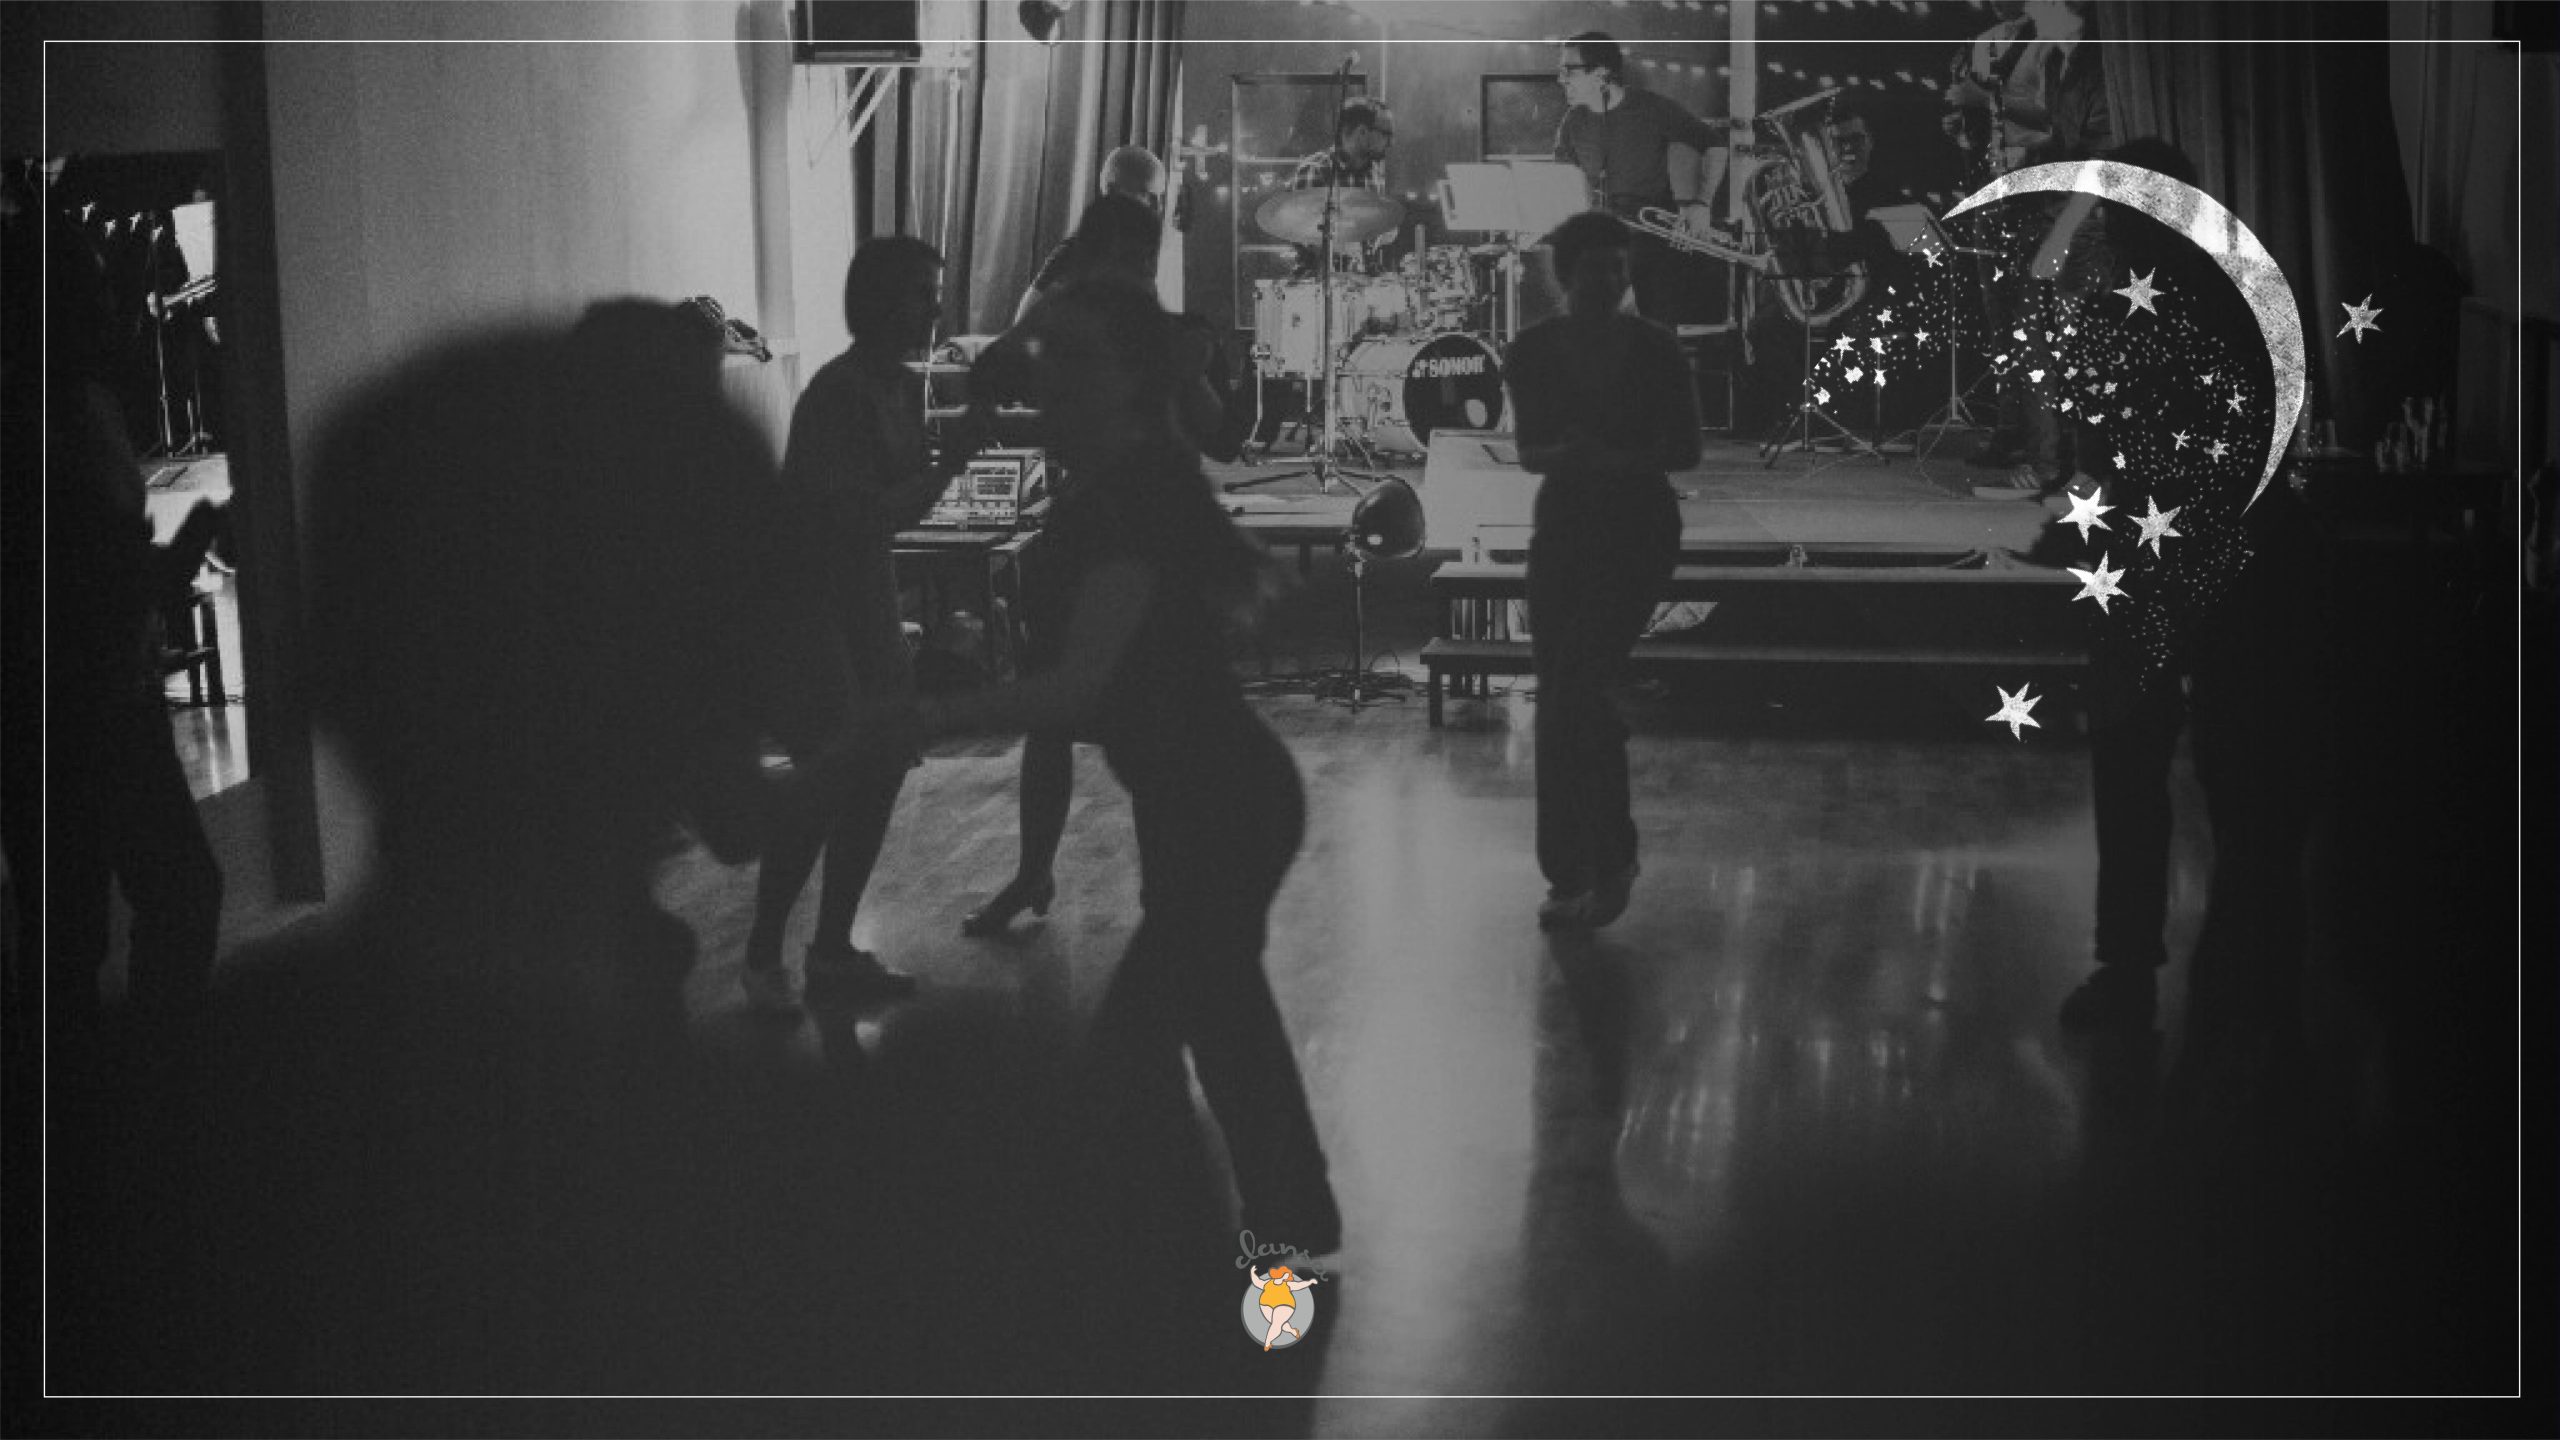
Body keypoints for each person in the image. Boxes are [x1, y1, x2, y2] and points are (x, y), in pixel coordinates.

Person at [852, 277, 1342, 1254]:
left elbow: (1078, 688)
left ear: (1129, 378)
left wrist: (929, 713)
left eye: (1073, 357)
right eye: (1048, 355)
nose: (1049, 375)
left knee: (1141, 1049)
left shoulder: (1130, 495)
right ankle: (1273, 1234)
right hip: (1198, 794)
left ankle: (1201, 1261)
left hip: (1221, 797)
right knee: (1217, 1018)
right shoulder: (1123, 472)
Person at [965, 193, 1228, 937]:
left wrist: (1192, 375)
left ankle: (1157, 892)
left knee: (1153, 723)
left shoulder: (1156, 334)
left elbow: (1220, 436)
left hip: (1148, 541)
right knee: (1054, 717)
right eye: (1125, 259)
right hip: (1089, 536)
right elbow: (989, 372)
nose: (1135, 274)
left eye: (1142, 261)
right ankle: (1035, 872)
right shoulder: (1069, 324)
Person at [740, 236, 983, 1012]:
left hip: (864, 590)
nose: (934, 308)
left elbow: (893, 512)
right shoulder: (840, 392)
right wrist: (950, 465)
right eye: (920, 294)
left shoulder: (900, 386)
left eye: (936, 293)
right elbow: (864, 514)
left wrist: (948, 462)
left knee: (881, 762)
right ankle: (761, 955)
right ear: (877, 300)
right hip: (809, 601)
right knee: (831, 770)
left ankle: (832, 948)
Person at [1503, 213, 1701, 930]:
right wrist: (1572, 457)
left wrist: (1611, 460)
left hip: (1636, 530)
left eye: (1620, 268)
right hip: (1565, 528)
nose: (1613, 281)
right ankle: (1571, 872)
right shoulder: (1531, 351)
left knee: (1574, 691)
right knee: (1564, 697)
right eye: (1598, 269)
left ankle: (1605, 861)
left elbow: (1686, 451)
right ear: (1566, 274)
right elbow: (1530, 451)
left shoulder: (1655, 349)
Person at [1551, 31, 1743, 325]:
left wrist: (1702, 204)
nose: (1561, 79)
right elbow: (1561, 182)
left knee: (1656, 333)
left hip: (1653, 245)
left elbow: (1714, 145)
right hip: (1599, 247)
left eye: (1569, 70)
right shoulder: (1572, 122)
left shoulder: (1651, 108)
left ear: (1600, 74)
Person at [1017, 144, 1168, 323]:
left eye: (1159, 197)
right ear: (1114, 192)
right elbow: (1024, 320)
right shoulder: (1078, 248)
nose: (1157, 207)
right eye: (1146, 194)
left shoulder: (1140, 255)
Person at [1286, 96, 1397, 278]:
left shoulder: (1375, 174)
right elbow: (1303, 233)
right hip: (1319, 283)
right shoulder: (1316, 169)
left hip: (1361, 283)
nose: (1391, 143)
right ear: (1362, 132)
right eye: (1386, 134)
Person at [1251, 1263, 1319, 1351]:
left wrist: (1310, 1282)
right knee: (1278, 1323)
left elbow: (1299, 1285)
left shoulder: (1287, 1284)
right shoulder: (1268, 1283)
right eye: (1284, 1274)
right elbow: (1257, 1282)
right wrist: (1252, 1273)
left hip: (1285, 1305)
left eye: (1287, 1274)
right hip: (1266, 1305)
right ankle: (1293, 1331)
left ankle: (1267, 1342)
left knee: (1276, 1324)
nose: (1286, 1276)